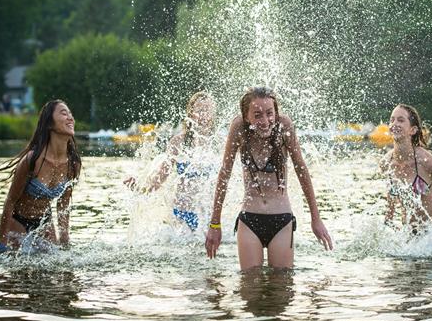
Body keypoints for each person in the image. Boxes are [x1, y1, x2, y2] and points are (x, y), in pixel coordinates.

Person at [205, 87, 333, 270]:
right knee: (250, 285)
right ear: (246, 116)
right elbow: (224, 173)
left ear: (276, 112)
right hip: (249, 219)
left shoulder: (284, 126)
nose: (265, 121)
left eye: (269, 113)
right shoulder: (239, 128)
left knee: (282, 286)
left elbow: (302, 170)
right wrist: (215, 223)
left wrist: (316, 219)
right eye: (257, 115)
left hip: (281, 220)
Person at [0, 100, 81, 253]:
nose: (70, 118)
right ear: (49, 124)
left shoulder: (72, 164)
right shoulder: (31, 160)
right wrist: (1, 245)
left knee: (55, 261)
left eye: (71, 114)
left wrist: (65, 241)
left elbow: (63, 205)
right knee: (17, 267)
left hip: (44, 221)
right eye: (64, 113)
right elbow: (10, 201)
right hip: (18, 220)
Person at [124, 91, 217, 231]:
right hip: (182, 214)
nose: (204, 115)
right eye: (200, 110)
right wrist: (139, 188)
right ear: (191, 114)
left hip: (209, 216)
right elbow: (161, 176)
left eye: (207, 110)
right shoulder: (178, 142)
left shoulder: (220, 143)